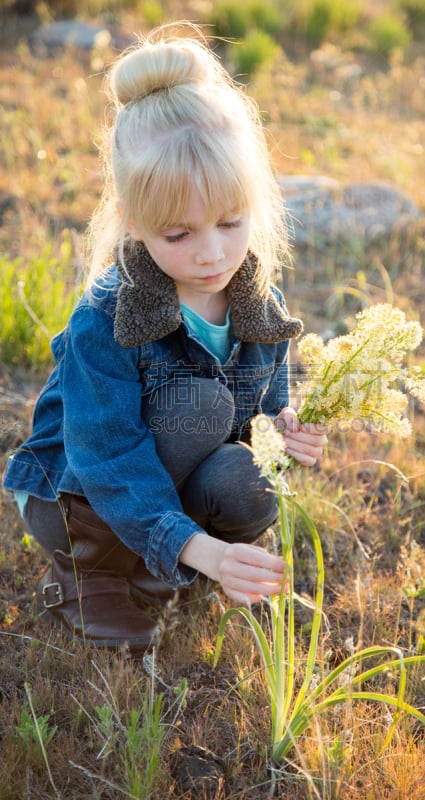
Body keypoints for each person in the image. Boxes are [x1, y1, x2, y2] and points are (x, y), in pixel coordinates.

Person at [2, 24, 328, 652]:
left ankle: (168, 568)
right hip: (76, 496)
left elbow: (260, 415)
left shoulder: (260, 304)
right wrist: (203, 546)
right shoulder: (105, 320)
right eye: (178, 235)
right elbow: (109, 457)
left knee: (249, 473)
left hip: (160, 486)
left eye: (231, 223)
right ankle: (89, 575)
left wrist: (290, 426)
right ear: (133, 221)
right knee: (198, 400)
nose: (212, 254)